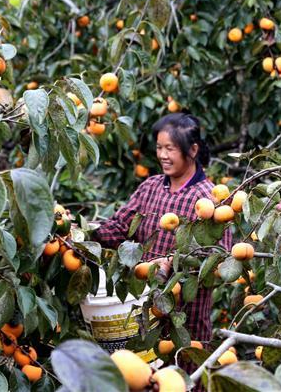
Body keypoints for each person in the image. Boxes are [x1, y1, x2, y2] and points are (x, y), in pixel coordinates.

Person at [92, 113, 232, 342]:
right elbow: (120, 228)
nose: (163, 156)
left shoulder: (209, 200)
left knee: (182, 372)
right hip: (145, 311)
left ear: (193, 150)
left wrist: (174, 264)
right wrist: (86, 232)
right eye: (159, 148)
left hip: (186, 318)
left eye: (170, 148)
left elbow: (220, 259)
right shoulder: (151, 187)